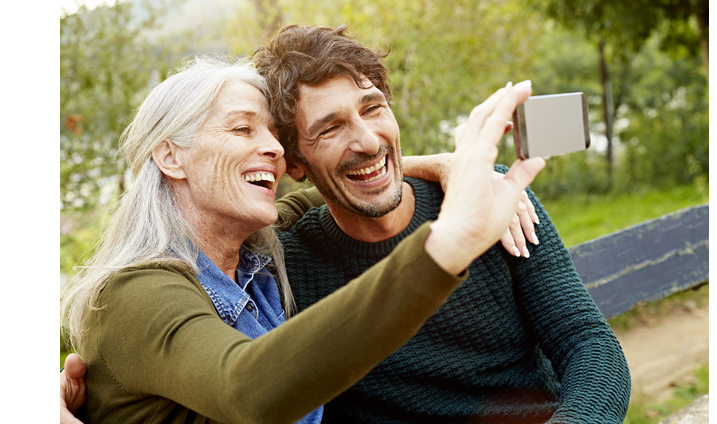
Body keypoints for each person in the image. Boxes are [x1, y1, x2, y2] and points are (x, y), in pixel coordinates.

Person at [59, 55, 545, 423]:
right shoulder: (135, 294)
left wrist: (442, 164)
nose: (271, 147)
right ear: (171, 157)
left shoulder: (258, 246)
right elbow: (246, 387)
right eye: (242, 128)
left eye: (273, 134)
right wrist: (450, 244)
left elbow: (338, 182)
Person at [248, 25, 632, 423]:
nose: (369, 141)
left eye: (373, 108)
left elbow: (587, 343)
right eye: (330, 128)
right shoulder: (285, 269)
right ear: (294, 164)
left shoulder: (494, 195)